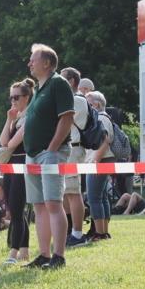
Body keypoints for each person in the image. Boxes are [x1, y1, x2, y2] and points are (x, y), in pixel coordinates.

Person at [17, 44, 75, 269]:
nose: (29, 63)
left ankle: (58, 256)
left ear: (47, 63)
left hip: (50, 153)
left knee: (52, 203)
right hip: (33, 155)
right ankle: (44, 255)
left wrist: (52, 148)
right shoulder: (40, 88)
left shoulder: (58, 84)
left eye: (33, 59)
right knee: (39, 205)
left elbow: (67, 117)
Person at [0, 78, 34, 263]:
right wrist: (9, 120)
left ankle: (14, 251)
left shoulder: (29, 117)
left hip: (22, 166)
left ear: (27, 97)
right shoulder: (17, 118)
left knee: (17, 209)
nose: (13, 101)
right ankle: (24, 249)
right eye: (11, 98)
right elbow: (3, 141)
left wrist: (8, 144)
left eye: (16, 97)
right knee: (14, 209)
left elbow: (11, 144)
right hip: (11, 167)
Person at [58, 68, 89, 248]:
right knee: (66, 192)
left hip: (73, 149)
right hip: (69, 149)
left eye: (62, 80)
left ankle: (78, 233)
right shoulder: (74, 99)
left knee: (73, 192)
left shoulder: (76, 100)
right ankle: (70, 231)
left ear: (70, 81)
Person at [84, 91, 117, 241]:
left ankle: (99, 233)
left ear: (96, 104)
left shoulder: (101, 118)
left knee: (93, 197)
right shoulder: (105, 118)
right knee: (102, 197)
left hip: (100, 160)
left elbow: (105, 142)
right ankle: (103, 231)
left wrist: (95, 161)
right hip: (104, 160)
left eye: (87, 102)